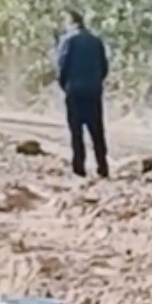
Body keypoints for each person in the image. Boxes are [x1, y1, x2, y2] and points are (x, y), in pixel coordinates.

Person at [55, 9, 110, 179]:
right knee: (97, 130)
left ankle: (79, 167)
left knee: (76, 131)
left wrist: (65, 85)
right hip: (93, 90)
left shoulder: (67, 41)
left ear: (70, 23)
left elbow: (62, 66)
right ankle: (102, 165)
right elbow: (104, 67)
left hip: (75, 91)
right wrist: (96, 82)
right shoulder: (95, 41)